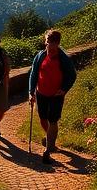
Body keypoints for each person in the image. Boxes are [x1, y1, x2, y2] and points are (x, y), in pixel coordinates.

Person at [28, 29, 77, 164]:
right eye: (48, 45)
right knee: (43, 118)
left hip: (56, 95)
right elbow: (33, 73)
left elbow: (72, 75)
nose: (50, 50)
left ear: (58, 44)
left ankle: (48, 150)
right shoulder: (40, 56)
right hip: (41, 93)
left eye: (53, 47)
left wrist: (64, 89)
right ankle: (51, 140)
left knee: (53, 120)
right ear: (46, 43)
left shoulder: (64, 58)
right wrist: (31, 91)